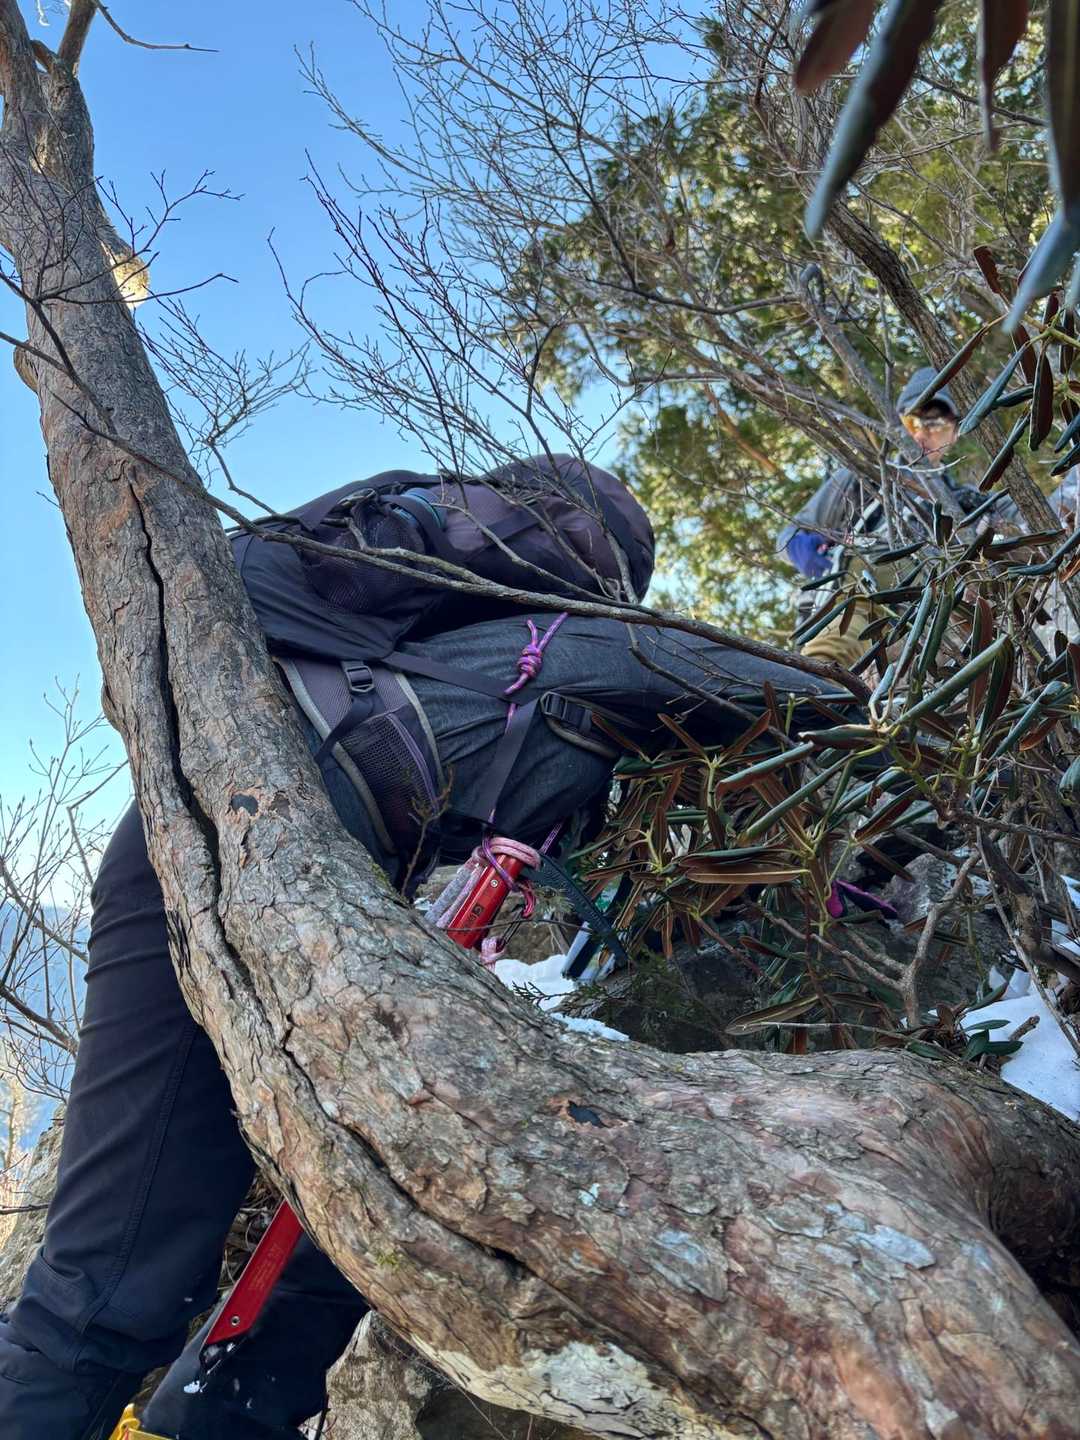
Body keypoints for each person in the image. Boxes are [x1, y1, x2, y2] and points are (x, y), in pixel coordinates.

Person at [0, 461, 844, 1440]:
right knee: (107, 1287)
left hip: (259, 870)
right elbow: (806, 696)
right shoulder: (596, 645)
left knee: (376, 1204)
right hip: (228, 861)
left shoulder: (450, 650)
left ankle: (210, 1420)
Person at [778, 367, 978, 669]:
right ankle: (816, 679)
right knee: (837, 644)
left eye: (936, 424)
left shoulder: (967, 503)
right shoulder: (860, 478)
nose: (921, 434)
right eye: (912, 421)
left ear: (955, 432)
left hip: (929, 628)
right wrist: (801, 549)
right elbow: (789, 536)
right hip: (853, 603)